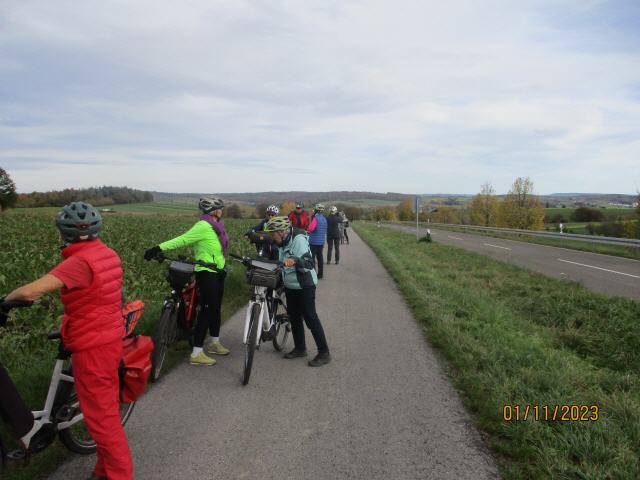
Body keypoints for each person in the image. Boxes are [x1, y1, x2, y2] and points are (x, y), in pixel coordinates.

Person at [4, 201, 133, 480]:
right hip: (109, 336)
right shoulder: (106, 253)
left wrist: (4, 301)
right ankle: (104, 470)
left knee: (102, 421)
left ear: (63, 233)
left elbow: (31, 292)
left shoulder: (78, 262)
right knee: (104, 411)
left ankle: (119, 475)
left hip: (92, 345)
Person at [145, 197, 229, 366]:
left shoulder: (217, 225)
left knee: (215, 309)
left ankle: (214, 342)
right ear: (214, 210)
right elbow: (183, 239)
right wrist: (158, 248)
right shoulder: (203, 226)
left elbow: (218, 249)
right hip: (207, 273)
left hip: (218, 271)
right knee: (207, 310)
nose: (222, 211)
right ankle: (197, 353)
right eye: (220, 208)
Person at [263, 216, 331, 367]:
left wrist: (295, 260)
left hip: (305, 285)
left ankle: (324, 352)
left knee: (310, 317)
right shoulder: (281, 242)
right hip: (290, 285)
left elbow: (309, 263)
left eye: (273, 233)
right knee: (294, 318)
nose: (272, 237)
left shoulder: (298, 240)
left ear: (282, 232)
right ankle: (300, 348)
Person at [307, 203, 327, 279]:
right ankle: (320, 274)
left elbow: (310, 229)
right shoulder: (324, 219)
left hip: (313, 242)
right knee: (320, 258)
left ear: (316, 210)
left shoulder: (316, 218)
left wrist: (309, 227)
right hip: (321, 242)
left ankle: (313, 274)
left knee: (312, 258)